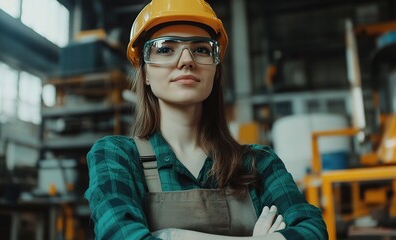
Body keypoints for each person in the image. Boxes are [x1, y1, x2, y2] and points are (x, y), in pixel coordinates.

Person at [85, 0, 328, 239]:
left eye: (201, 49)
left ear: (215, 70)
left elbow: (311, 230)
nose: (186, 60)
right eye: (165, 49)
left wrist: (172, 236)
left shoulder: (259, 164)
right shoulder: (117, 157)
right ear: (146, 73)